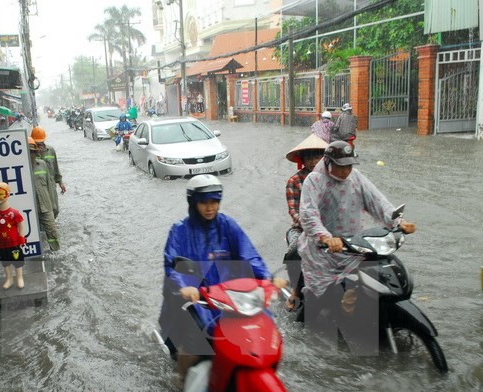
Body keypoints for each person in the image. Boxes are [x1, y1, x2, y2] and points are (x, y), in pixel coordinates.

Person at [159, 175, 287, 377]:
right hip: (197, 298)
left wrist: (267, 278)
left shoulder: (228, 226)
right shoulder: (179, 231)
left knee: (266, 330)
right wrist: (185, 285)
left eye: (214, 202)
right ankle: (181, 381)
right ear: (193, 202)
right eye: (204, 202)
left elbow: (250, 255)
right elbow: (173, 266)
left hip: (230, 297)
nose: (210, 208)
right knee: (195, 346)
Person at [297, 141, 415, 329]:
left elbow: (378, 202)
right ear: (328, 162)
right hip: (322, 249)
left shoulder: (357, 178)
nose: (345, 171)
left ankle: (358, 319)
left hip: (353, 245)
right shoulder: (314, 180)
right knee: (318, 295)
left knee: (375, 276)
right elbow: (308, 214)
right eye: (340, 166)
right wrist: (325, 237)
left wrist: (399, 222)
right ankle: (303, 325)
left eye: (349, 166)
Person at [283, 134, 327, 311]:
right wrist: (311, 225)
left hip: (329, 227)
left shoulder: (332, 178)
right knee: (295, 252)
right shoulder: (295, 181)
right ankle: (296, 292)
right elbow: (293, 211)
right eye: (310, 158)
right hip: (302, 228)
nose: (314, 161)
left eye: (318, 157)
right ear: (303, 160)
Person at [0, 182, 26, 290]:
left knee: (17, 261)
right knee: (5, 262)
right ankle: (9, 278)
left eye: (0, 194)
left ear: (7, 194)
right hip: (2, 244)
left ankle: (19, 278)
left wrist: (22, 240)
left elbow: (21, 227)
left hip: (14, 243)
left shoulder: (14, 213)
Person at [28, 137, 60, 251]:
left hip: (46, 207)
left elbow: (49, 186)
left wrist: (53, 205)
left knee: (52, 231)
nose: (30, 154)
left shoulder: (42, 165)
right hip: (31, 210)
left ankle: (55, 252)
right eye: (28, 151)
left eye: (32, 152)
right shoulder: (21, 170)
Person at [31, 126, 66, 218]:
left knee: (55, 209)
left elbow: (55, 167)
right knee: (44, 211)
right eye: (37, 143)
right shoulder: (31, 153)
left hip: (51, 185)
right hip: (40, 186)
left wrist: (60, 182)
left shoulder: (50, 150)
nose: (39, 145)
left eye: (41, 143)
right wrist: (36, 153)